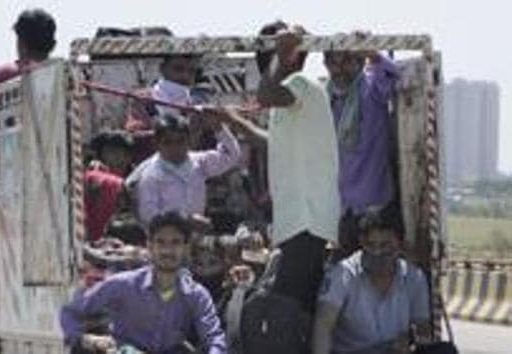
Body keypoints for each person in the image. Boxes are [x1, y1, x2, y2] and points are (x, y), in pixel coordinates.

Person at [214, 22, 340, 317]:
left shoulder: (301, 85)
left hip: (306, 221)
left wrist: (282, 55)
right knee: (296, 306)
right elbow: (273, 143)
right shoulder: (295, 97)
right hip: (301, 222)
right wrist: (232, 120)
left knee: (287, 309)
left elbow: (265, 94)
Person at [60, 211, 228, 354]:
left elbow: (214, 338)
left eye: (175, 243)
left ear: (186, 248)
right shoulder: (123, 284)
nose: (167, 251)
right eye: (160, 242)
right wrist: (84, 339)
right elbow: (70, 312)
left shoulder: (196, 295)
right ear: (149, 246)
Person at [311, 205, 431, 354]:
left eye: (385, 245)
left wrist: (411, 340)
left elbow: (423, 330)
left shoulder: (414, 279)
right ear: (362, 242)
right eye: (371, 245)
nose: (377, 252)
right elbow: (324, 325)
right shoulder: (342, 275)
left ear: (400, 244)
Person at [323, 40, 401, 256]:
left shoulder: (371, 87)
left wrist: (372, 52)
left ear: (359, 62)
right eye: (333, 63)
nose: (339, 70)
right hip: (343, 208)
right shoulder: (326, 97)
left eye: (346, 61)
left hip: (374, 204)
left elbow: (394, 73)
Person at [128, 112, 241, 228]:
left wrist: (218, 127)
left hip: (196, 236)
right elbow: (148, 215)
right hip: (164, 240)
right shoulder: (149, 174)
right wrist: (186, 220)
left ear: (189, 140)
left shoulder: (199, 162)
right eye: (168, 142)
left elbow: (232, 155)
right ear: (156, 144)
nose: (175, 148)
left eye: (180, 141)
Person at [83, 131, 135, 242]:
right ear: (102, 155)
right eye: (112, 152)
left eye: (124, 153)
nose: (118, 157)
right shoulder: (93, 178)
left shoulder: (137, 180)